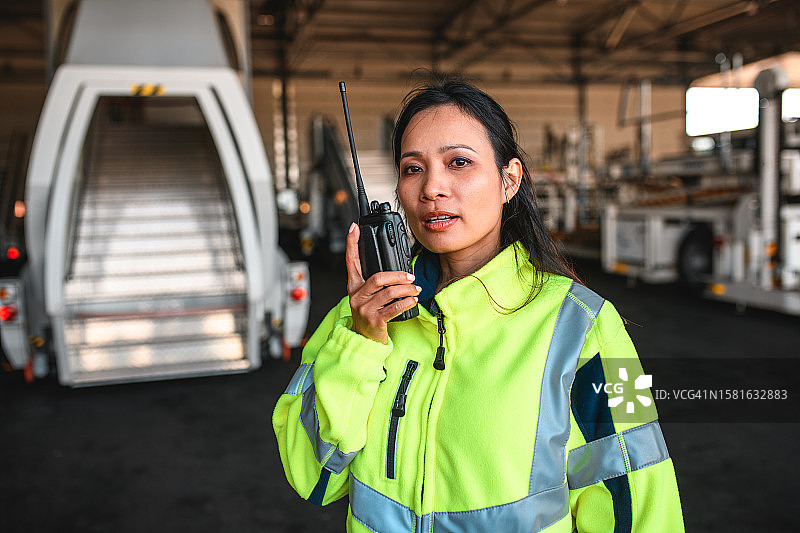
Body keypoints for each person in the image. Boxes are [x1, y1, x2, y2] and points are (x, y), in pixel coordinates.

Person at [273, 77, 684, 532]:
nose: (432, 188)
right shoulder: (359, 319)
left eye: (459, 162)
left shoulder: (587, 326)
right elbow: (311, 479)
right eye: (413, 169)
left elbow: (645, 500)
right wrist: (361, 344)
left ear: (509, 180)